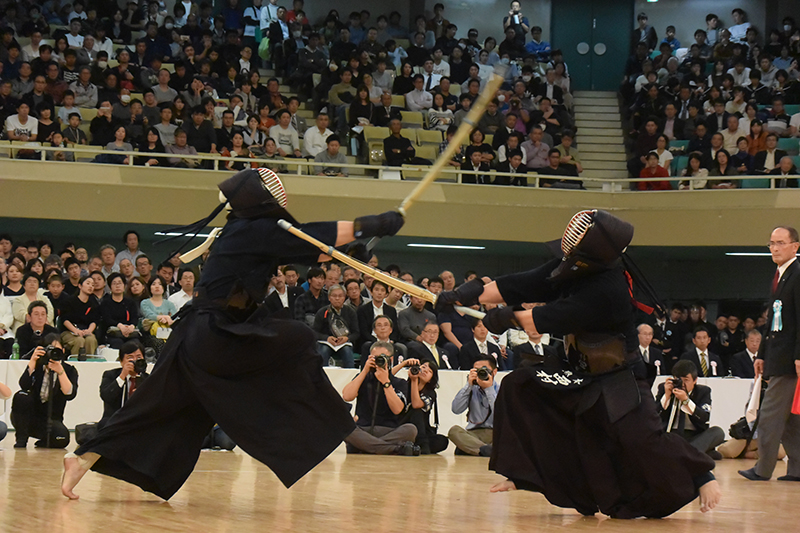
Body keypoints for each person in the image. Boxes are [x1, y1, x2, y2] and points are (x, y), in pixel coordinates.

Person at [62, 168, 405, 500]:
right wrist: (375, 225)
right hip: (215, 333)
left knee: (158, 406)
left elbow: (309, 248)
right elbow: (317, 235)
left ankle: (81, 460)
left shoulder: (246, 228)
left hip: (194, 334)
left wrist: (348, 250)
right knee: (299, 339)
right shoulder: (256, 228)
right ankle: (328, 423)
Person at [436, 209, 720, 517]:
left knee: (640, 440)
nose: (566, 250)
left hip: (619, 377)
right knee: (522, 387)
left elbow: (542, 319)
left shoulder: (607, 289)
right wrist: (465, 294)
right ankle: (527, 475)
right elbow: (519, 284)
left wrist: (506, 317)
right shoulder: (571, 268)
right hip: (579, 372)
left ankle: (701, 475)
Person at [739, 226, 800, 482]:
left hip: (790, 360)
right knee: (790, 422)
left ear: (795, 246)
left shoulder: (797, 273)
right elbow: (772, 321)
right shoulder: (780, 274)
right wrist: (761, 353)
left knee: (771, 416)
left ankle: (763, 469)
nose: (774, 248)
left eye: (781, 243)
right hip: (778, 355)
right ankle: (797, 469)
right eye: (771, 243)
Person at [342, 341, 419, 455]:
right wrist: (364, 370)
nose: (379, 361)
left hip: (388, 429)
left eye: (382, 358)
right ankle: (394, 448)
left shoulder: (399, 383)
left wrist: (386, 382)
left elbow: (397, 409)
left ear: (391, 360)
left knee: (411, 429)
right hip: (364, 428)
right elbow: (347, 396)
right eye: (375, 358)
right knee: (344, 427)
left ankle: (363, 446)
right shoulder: (363, 378)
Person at [11, 333, 78, 448]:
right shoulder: (38, 365)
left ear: (62, 350)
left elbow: (69, 394)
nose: (53, 353)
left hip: (52, 420)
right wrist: (32, 361)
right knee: (21, 396)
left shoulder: (69, 370)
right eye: (49, 350)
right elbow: (24, 385)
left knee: (62, 439)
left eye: (57, 350)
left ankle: (43, 442)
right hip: (28, 416)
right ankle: (21, 440)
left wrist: (60, 371)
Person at [655, 360, 725, 459]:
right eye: (678, 380)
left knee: (717, 432)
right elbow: (654, 415)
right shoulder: (664, 388)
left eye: (686, 380)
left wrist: (686, 401)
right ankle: (694, 454)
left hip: (693, 436)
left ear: (695, 380)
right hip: (670, 434)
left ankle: (685, 454)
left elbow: (704, 417)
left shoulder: (703, 391)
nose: (682, 384)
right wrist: (666, 396)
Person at [448, 356, 499, 456]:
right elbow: (456, 409)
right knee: (454, 431)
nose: (481, 372)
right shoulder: (471, 389)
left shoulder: (502, 389)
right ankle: (487, 450)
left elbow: (500, 414)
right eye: (477, 370)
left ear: (494, 371)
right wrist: (468, 385)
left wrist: (489, 390)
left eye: (484, 369)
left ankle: (475, 449)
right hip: (474, 433)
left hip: (495, 433)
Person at [98, 340, 149, 429]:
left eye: (138, 357)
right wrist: (122, 377)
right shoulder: (110, 375)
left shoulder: (148, 379)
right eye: (130, 358)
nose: (134, 361)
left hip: (140, 419)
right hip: (116, 419)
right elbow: (106, 396)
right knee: (104, 424)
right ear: (121, 361)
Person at [312, 284, 359, 368]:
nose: (337, 298)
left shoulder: (350, 311)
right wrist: (327, 338)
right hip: (326, 342)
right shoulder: (322, 312)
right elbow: (314, 332)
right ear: (329, 298)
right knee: (324, 350)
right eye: (334, 296)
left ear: (344, 297)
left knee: (347, 351)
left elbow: (356, 333)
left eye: (340, 296)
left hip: (344, 342)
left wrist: (347, 338)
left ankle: (351, 377)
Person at [59, 276, 100, 355]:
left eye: (92, 285)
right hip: (70, 331)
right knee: (79, 340)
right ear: (80, 286)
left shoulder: (94, 303)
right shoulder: (69, 301)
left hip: (86, 331)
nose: (90, 286)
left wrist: (89, 331)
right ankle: (75, 364)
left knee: (91, 340)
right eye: (88, 283)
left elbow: (95, 321)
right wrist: (76, 331)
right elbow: (64, 319)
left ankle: (89, 363)